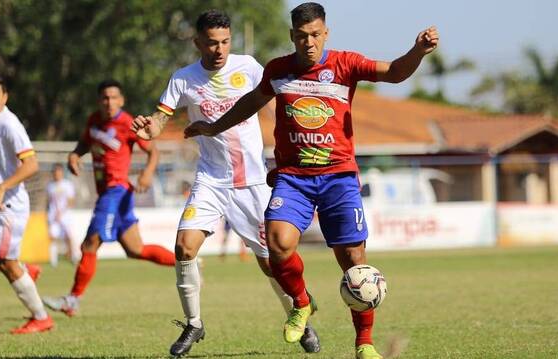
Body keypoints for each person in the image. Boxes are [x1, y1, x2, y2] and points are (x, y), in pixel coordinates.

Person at [181, 3, 439, 358]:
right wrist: (212, 127)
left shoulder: (345, 64)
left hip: (339, 177)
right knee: (277, 243)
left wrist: (417, 52)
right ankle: (301, 303)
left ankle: (364, 343)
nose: (309, 43)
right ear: (292, 37)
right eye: (301, 36)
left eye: (315, 35)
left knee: (353, 261)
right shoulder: (278, 70)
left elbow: (394, 72)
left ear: (326, 33)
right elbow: (249, 103)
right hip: (294, 178)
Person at [131, 10, 320, 357]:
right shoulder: (183, 79)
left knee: (271, 263)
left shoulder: (248, 67)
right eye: (211, 43)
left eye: (225, 42)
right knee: (184, 248)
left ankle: (300, 318)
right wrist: (150, 128)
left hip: (252, 183)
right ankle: (194, 324)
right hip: (211, 180)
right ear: (197, 42)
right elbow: (161, 117)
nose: (219, 49)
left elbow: (279, 96)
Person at [42, 79, 176, 316]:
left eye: (114, 98)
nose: (109, 102)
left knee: (89, 244)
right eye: (105, 98)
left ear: (121, 100)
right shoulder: (94, 120)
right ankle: (186, 262)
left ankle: (72, 299)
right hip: (111, 193)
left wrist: (147, 173)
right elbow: (85, 142)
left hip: (116, 191)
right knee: (135, 249)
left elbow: (152, 150)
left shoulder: (127, 123)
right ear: (99, 101)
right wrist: (75, 155)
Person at [0, 74, 54, 334]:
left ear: (5, 97)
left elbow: (32, 165)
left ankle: (41, 317)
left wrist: (4, 187)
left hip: (9, 206)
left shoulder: (9, 125)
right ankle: (24, 271)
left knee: (6, 263)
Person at [46, 163, 77, 267]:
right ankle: (53, 260)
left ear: (62, 173)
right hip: (53, 216)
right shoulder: (50, 186)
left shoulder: (67, 185)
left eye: (59, 172)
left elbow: (71, 201)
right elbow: (49, 201)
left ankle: (73, 256)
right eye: (55, 172)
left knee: (68, 236)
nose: (57, 174)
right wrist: (50, 213)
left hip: (65, 215)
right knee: (52, 236)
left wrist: (62, 212)